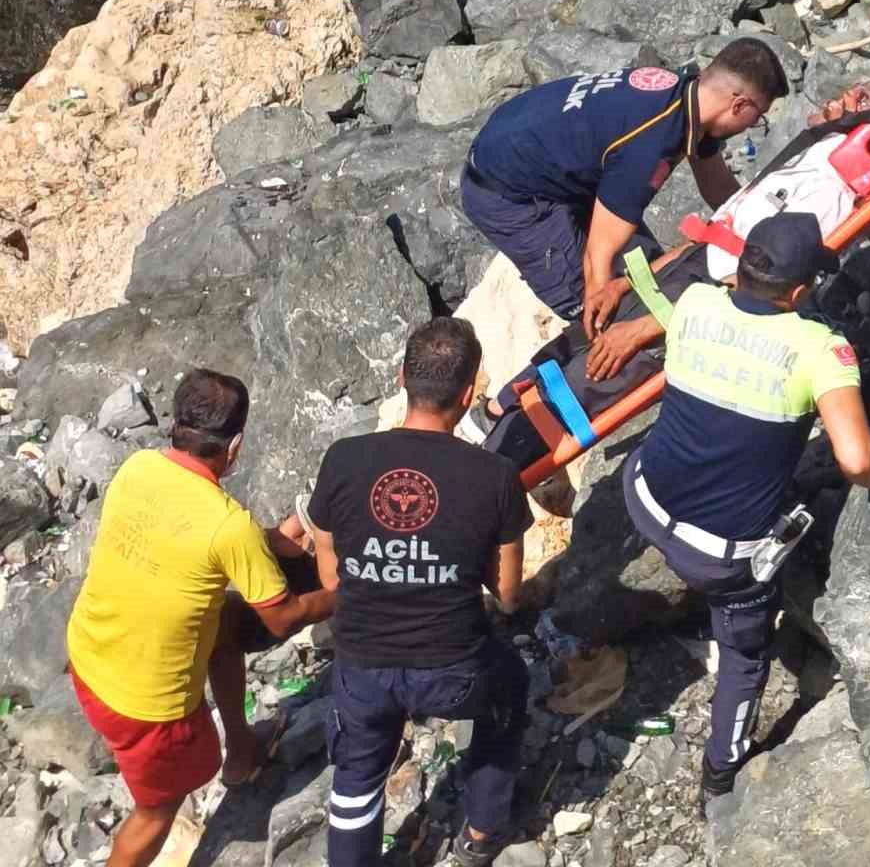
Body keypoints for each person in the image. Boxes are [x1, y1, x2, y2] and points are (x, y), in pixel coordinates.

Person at [622, 212, 870, 815]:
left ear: (740, 267)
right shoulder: (821, 349)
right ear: (797, 293)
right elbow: (857, 460)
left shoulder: (695, 304)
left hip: (645, 496)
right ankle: (719, 775)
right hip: (721, 553)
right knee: (744, 653)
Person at [67, 371, 336, 867]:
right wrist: (340, 593)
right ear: (234, 446)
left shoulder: (138, 467)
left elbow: (192, 537)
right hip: (144, 704)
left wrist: (275, 537)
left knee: (226, 623)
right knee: (156, 809)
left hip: (89, 651)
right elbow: (283, 620)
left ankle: (243, 752)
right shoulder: (228, 524)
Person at [462, 40, 788, 436]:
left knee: (646, 273)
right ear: (739, 105)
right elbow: (598, 257)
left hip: (536, 152)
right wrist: (612, 316)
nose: (752, 129)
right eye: (758, 120)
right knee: (604, 312)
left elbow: (717, 186)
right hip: (509, 192)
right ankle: (503, 416)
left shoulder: (689, 97)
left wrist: (764, 226)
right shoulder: (654, 138)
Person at [309, 317, 531, 867]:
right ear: (470, 392)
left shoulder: (344, 458)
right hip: (452, 672)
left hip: (361, 665)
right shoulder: (495, 474)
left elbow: (332, 579)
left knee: (358, 771)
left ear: (401, 375)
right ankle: (480, 836)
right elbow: (507, 595)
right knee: (510, 685)